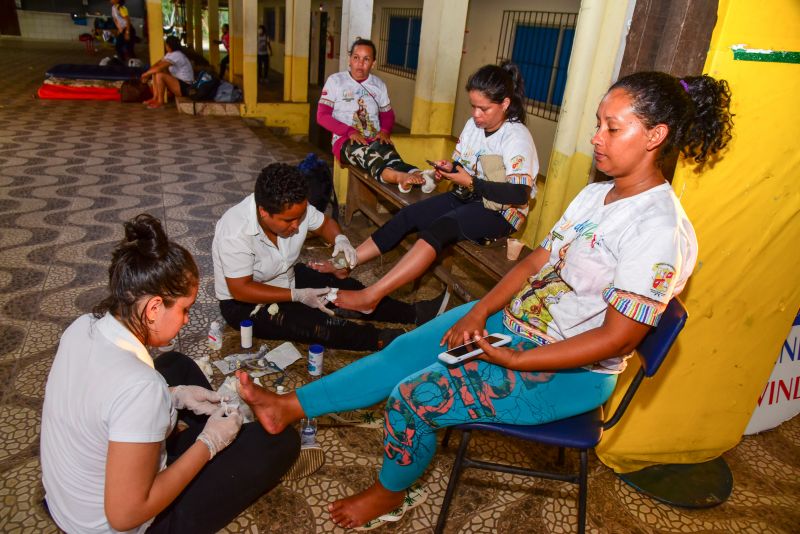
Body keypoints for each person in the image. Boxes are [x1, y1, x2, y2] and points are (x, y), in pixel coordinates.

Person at [236, 71, 734, 529]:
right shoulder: (597, 196)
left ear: (655, 136)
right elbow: (535, 263)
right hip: (513, 328)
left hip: (570, 372)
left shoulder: (659, 230)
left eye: (612, 128)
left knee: (413, 395)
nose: (596, 138)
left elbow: (617, 337)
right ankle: (287, 408)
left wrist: (517, 357)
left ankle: (390, 494)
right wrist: (479, 310)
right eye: (598, 124)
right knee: (401, 355)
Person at [40, 214, 299, 533]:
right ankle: (219, 437)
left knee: (174, 364)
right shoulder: (140, 388)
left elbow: (97, 395)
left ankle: (202, 429)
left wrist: (174, 396)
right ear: (152, 309)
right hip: (124, 525)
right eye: (184, 309)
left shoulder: (81, 327)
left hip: (69, 502)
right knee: (279, 442)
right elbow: (125, 515)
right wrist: (209, 443)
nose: (188, 320)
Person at [330, 62, 538, 314]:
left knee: (440, 229)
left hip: (501, 212)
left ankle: (372, 296)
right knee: (410, 215)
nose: (476, 114)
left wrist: (470, 182)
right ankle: (344, 263)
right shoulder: (475, 126)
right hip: (469, 195)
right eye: (473, 106)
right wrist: (448, 169)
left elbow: (519, 194)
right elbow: (464, 164)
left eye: (484, 108)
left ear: (505, 104)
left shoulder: (516, 137)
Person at [212, 163, 447, 352]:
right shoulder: (234, 231)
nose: (296, 226)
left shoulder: (293, 208)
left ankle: (415, 313)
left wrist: (340, 241)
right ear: (264, 212)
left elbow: (325, 224)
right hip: (244, 304)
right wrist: (297, 296)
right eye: (288, 221)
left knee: (347, 289)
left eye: (300, 216)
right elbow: (241, 289)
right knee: (316, 325)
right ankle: (387, 340)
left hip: (286, 277)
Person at [317, 38, 429, 192]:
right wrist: (350, 131)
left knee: (392, 157)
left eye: (366, 59)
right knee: (370, 157)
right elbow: (322, 116)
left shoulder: (378, 85)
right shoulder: (336, 81)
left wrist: (384, 131)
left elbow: (388, 115)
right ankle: (398, 178)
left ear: (373, 63)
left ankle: (420, 175)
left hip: (374, 138)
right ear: (350, 60)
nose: (360, 63)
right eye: (356, 58)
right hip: (345, 141)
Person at [141, 36, 194, 109]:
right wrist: (148, 73)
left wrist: (145, 74)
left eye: (166, 44)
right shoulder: (170, 54)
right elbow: (157, 65)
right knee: (156, 71)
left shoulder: (177, 55)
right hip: (179, 84)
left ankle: (160, 102)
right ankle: (155, 98)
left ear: (169, 45)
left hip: (186, 87)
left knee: (160, 74)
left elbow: (159, 68)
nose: (165, 46)